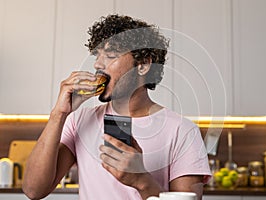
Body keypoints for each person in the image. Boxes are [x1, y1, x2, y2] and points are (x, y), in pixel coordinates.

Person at [22, 14, 211, 200]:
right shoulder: (79, 120)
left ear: (144, 65)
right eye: (97, 55)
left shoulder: (182, 131)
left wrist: (142, 181)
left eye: (111, 56)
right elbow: (33, 190)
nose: (97, 64)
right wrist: (59, 113)